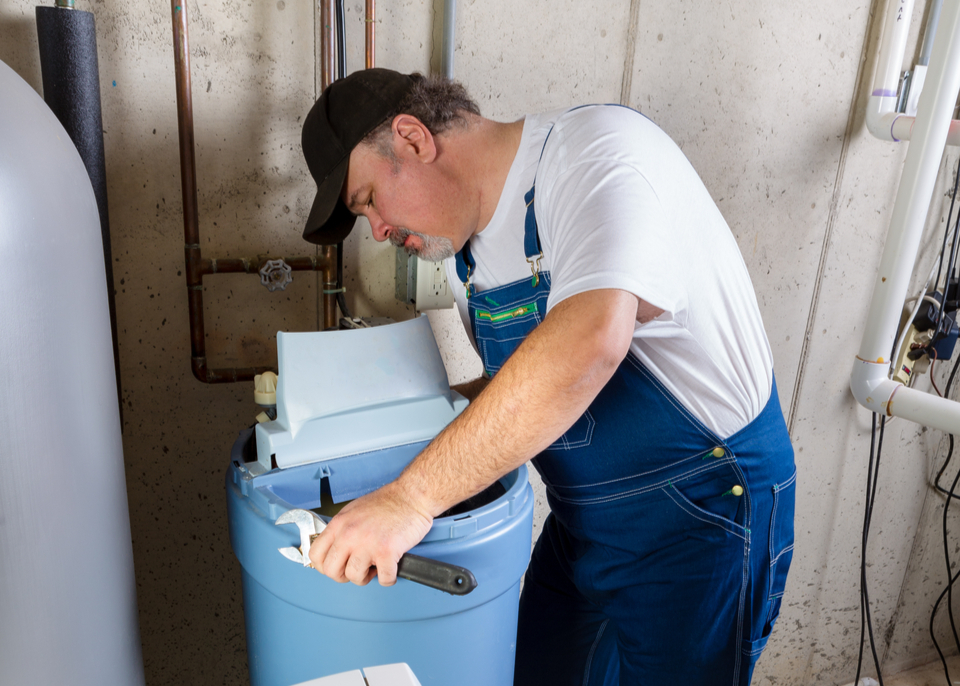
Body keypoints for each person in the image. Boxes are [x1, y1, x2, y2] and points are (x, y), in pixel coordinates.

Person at [297, 68, 796, 686]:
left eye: (368, 199)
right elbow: (523, 387)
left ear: (412, 139)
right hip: (586, 521)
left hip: (699, 515)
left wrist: (410, 498)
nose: (377, 232)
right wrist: (412, 411)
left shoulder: (596, 155)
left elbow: (589, 341)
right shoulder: (471, 253)